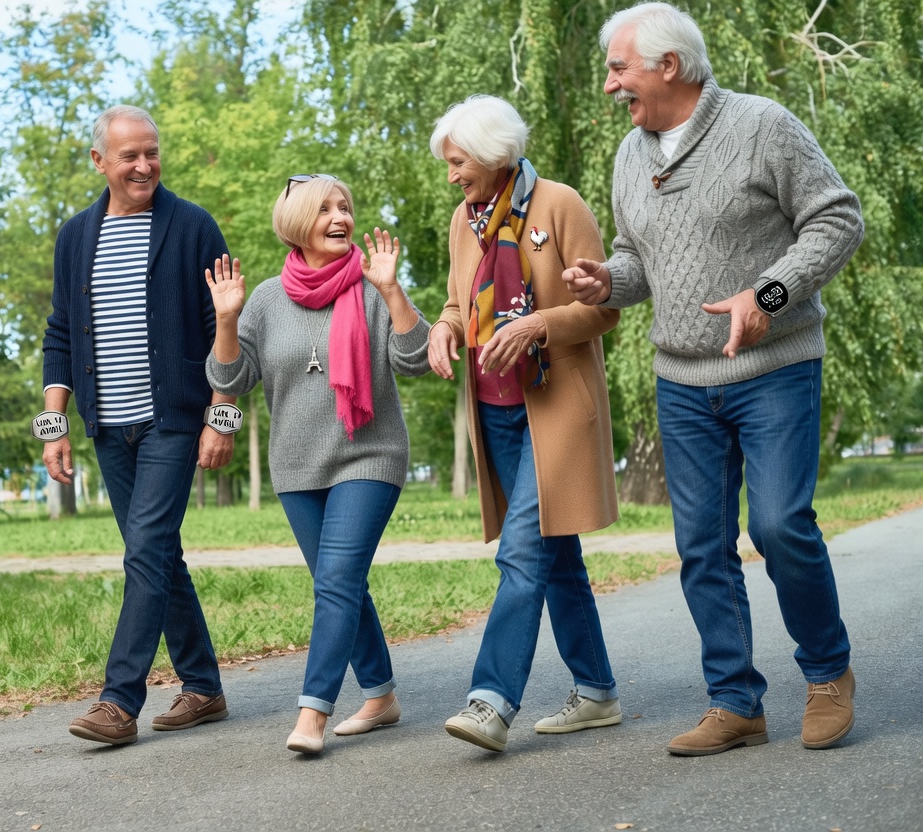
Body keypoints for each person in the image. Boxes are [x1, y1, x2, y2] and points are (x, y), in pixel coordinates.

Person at [563, 2, 864, 756]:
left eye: (618, 69)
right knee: (701, 545)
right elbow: (639, 259)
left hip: (775, 367)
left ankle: (828, 672)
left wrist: (767, 296)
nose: (610, 85)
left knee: (779, 525)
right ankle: (735, 702)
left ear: (669, 65)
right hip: (682, 379)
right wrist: (607, 282)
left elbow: (837, 220)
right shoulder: (631, 153)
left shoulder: (762, 125)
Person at [205, 174, 430, 755]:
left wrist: (393, 292)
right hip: (296, 465)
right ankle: (380, 695)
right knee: (341, 583)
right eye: (325, 208)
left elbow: (415, 360)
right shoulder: (264, 300)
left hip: (369, 454)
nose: (340, 217)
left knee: (336, 581)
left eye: (345, 207)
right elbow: (233, 378)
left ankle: (312, 713)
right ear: (297, 223)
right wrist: (226, 320)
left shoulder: (373, 285)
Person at [426, 95, 623, 754]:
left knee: (520, 553)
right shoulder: (464, 221)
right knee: (554, 555)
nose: (452, 176)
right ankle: (597, 692)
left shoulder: (559, 205)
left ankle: (491, 700)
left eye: (459, 162)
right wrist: (444, 328)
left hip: (556, 409)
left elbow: (604, 308)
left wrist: (539, 324)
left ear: (493, 154)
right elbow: (458, 301)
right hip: (496, 413)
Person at [40, 105, 237, 747]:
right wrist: (53, 421)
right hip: (107, 424)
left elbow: (224, 329)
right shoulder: (76, 236)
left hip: (173, 420)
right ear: (99, 161)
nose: (144, 165)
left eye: (151, 152)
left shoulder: (193, 226)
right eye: (129, 156)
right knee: (158, 553)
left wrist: (222, 418)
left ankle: (118, 701)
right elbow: (61, 332)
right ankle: (203, 687)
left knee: (144, 550)